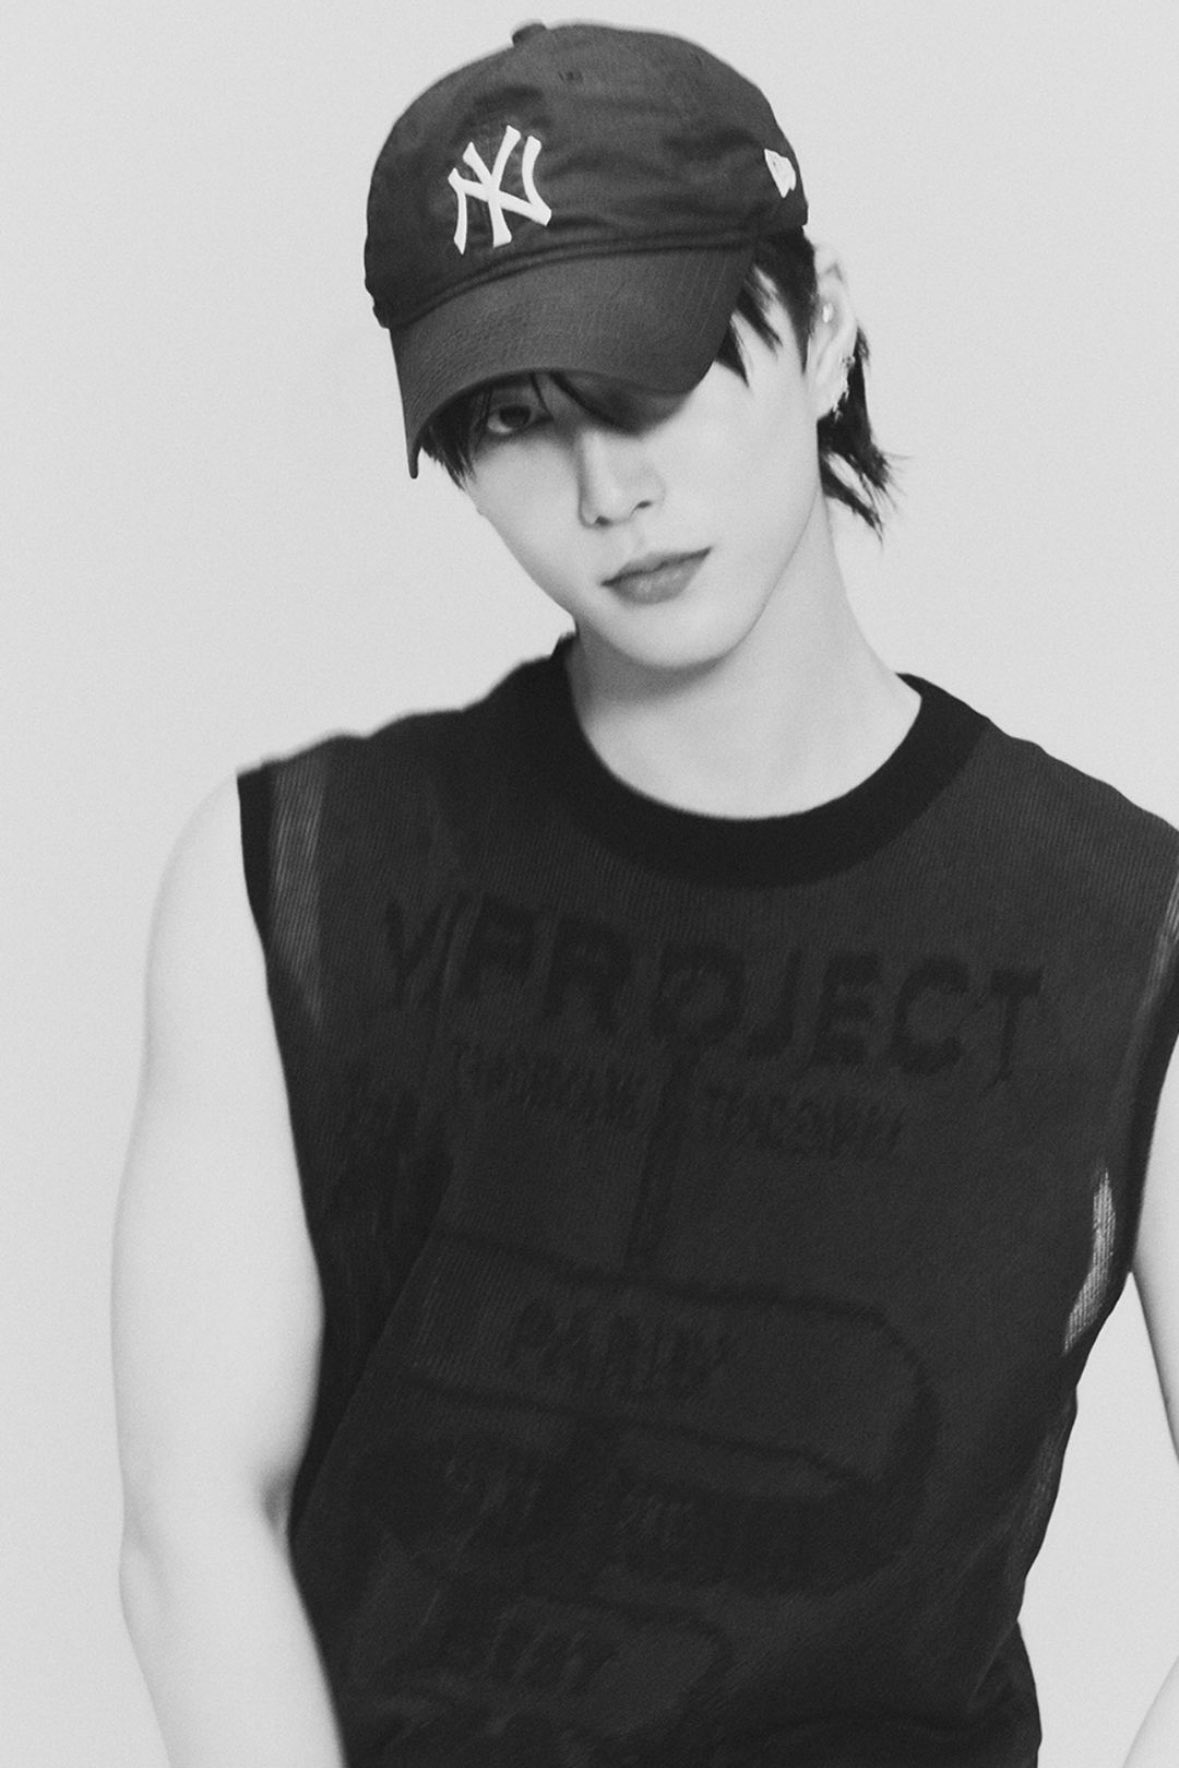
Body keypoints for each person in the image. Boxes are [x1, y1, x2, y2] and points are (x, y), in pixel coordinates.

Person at [112, 22, 1179, 1768]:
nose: (608, 491)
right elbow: (192, 1521)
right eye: (513, 418)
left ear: (820, 328)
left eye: (655, 375)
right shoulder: (299, 879)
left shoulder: (1119, 930)